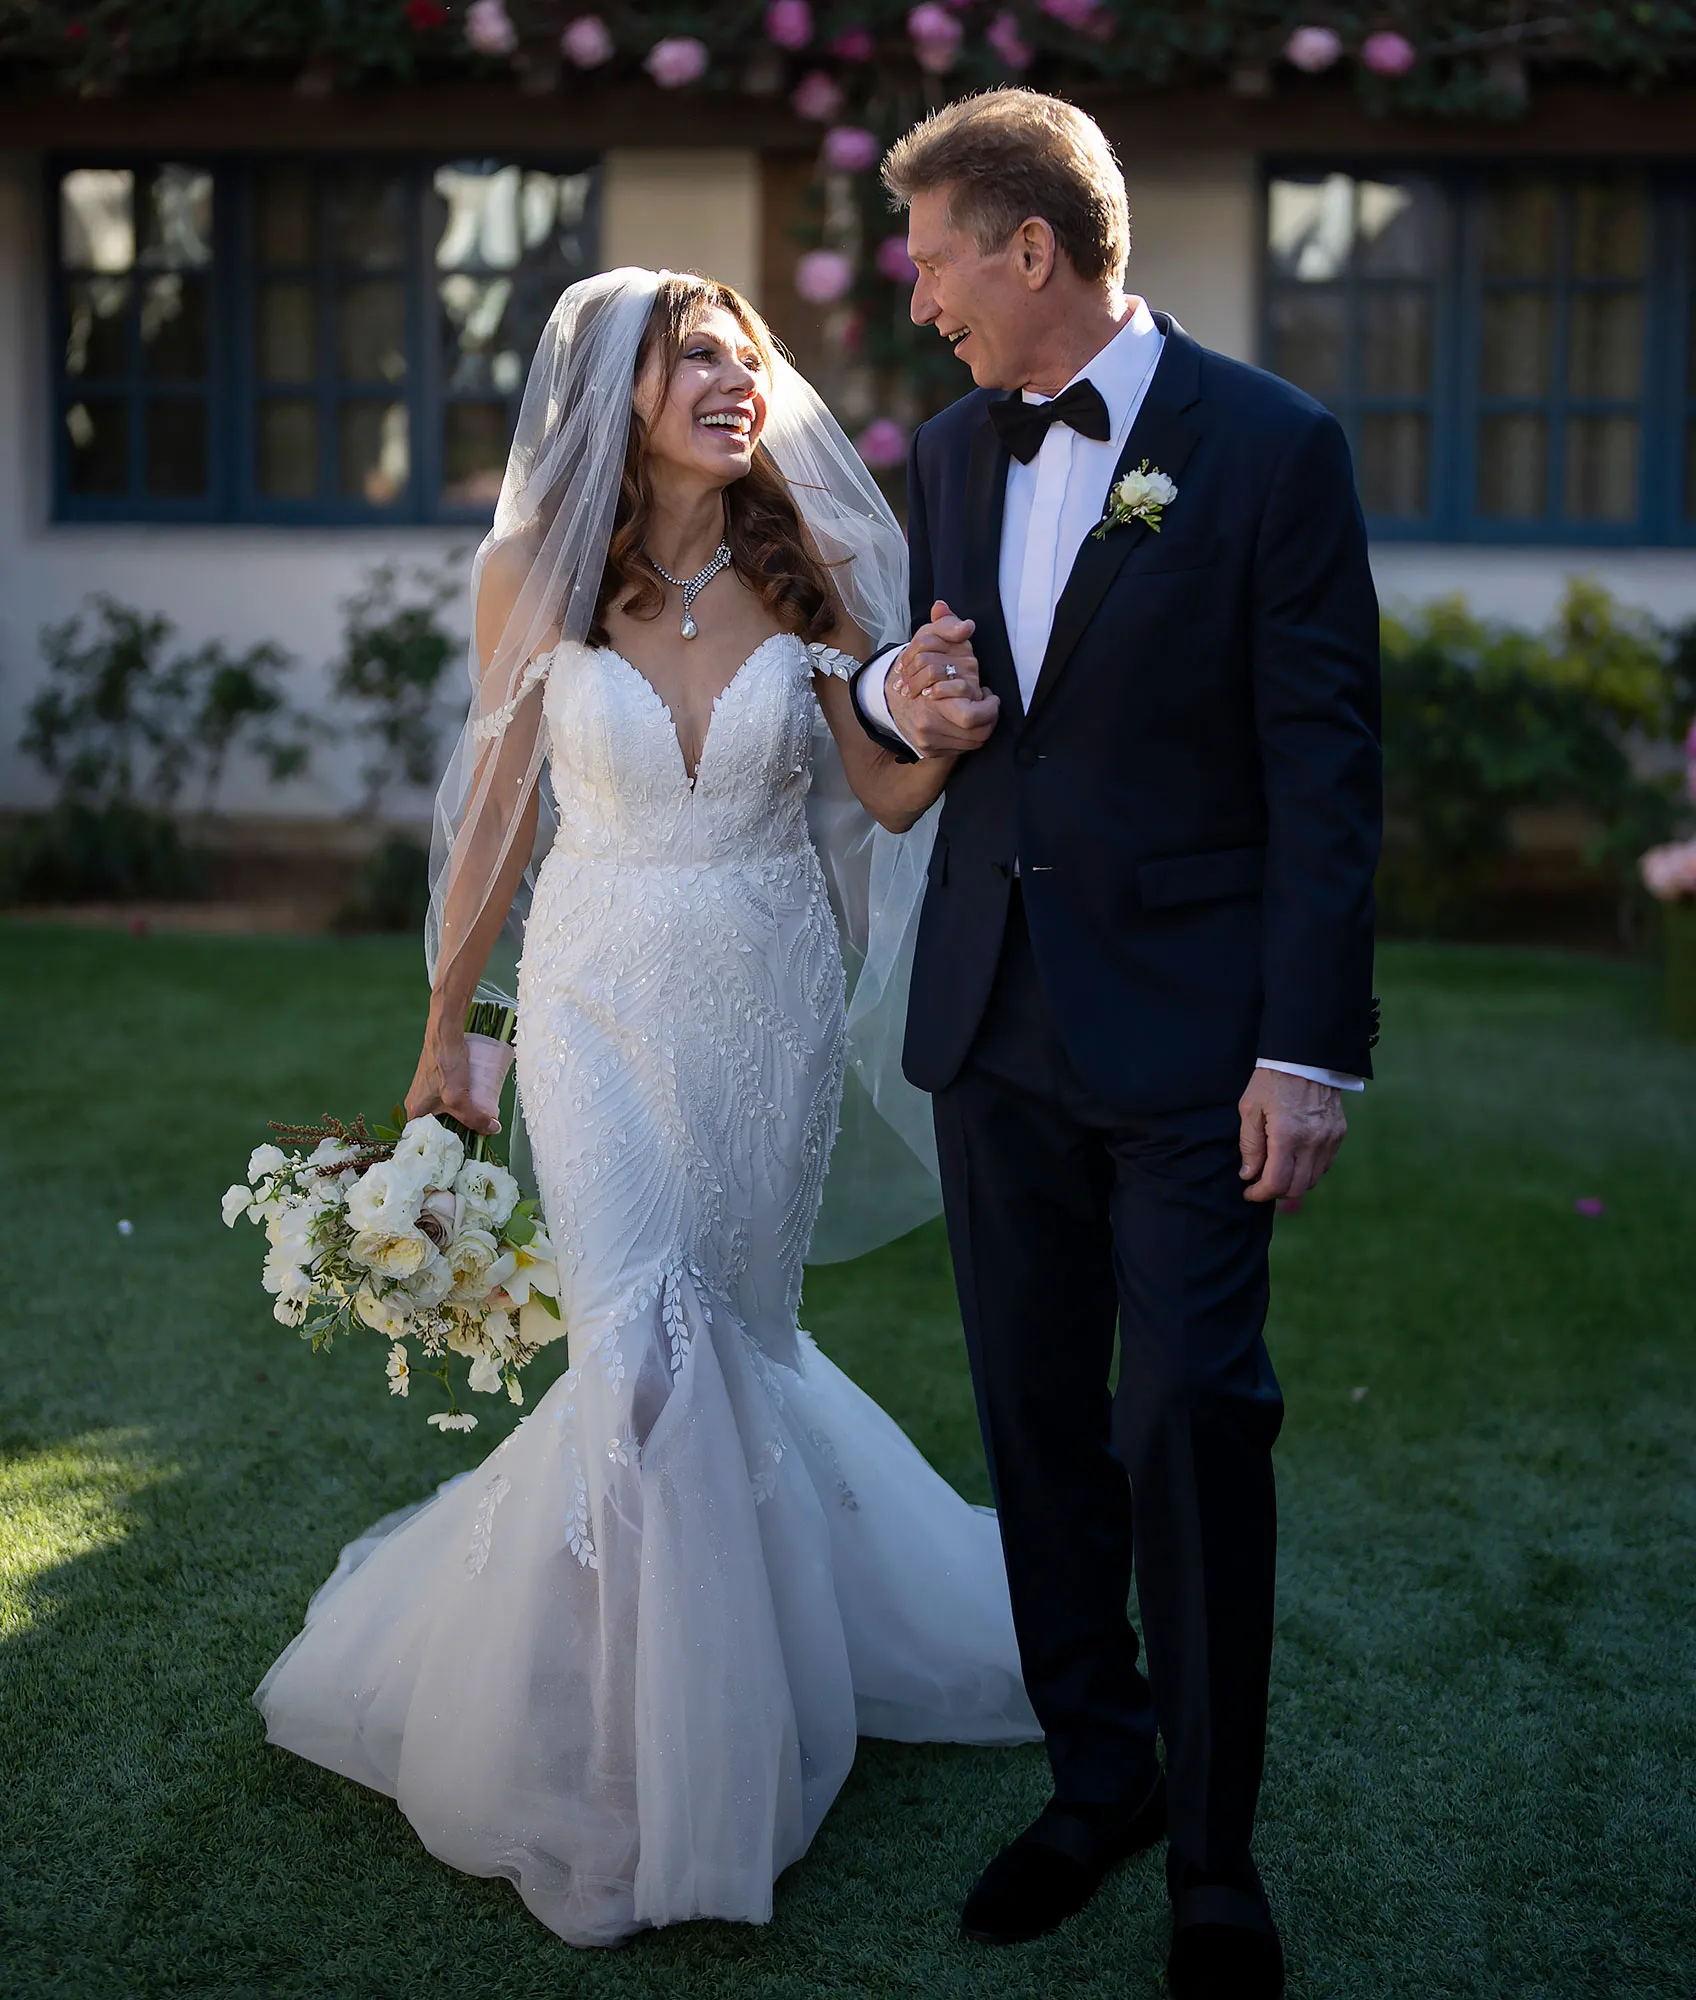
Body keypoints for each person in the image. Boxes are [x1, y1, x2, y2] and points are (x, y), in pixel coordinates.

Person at [252, 267, 1037, 1950]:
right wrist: (448, 1031)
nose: (736, 383)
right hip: (594, 1000)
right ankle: (640, 1778)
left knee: (733, 1342)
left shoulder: (800, 570)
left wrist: (947, 732)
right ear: (616, 392)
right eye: (698, 358)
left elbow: (883, 795)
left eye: (746, 358)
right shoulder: (526, 578)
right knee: (642, 1343)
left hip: (762, 1005)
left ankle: (744, 1696)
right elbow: (491, 821)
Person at [849, 90, 1383, 1999]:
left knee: (1190, 1416)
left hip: (1193, 1041)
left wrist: (1305, 1050)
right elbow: (927, 683)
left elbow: (1327, 769)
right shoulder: (944, 450)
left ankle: (1217, 1855)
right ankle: (1102, 1778)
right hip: (994, 1016)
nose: (920, 305)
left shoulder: (1273, 448)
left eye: (931, 262)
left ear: (1032, 253)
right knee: (1035, 1423)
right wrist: (904, 690)